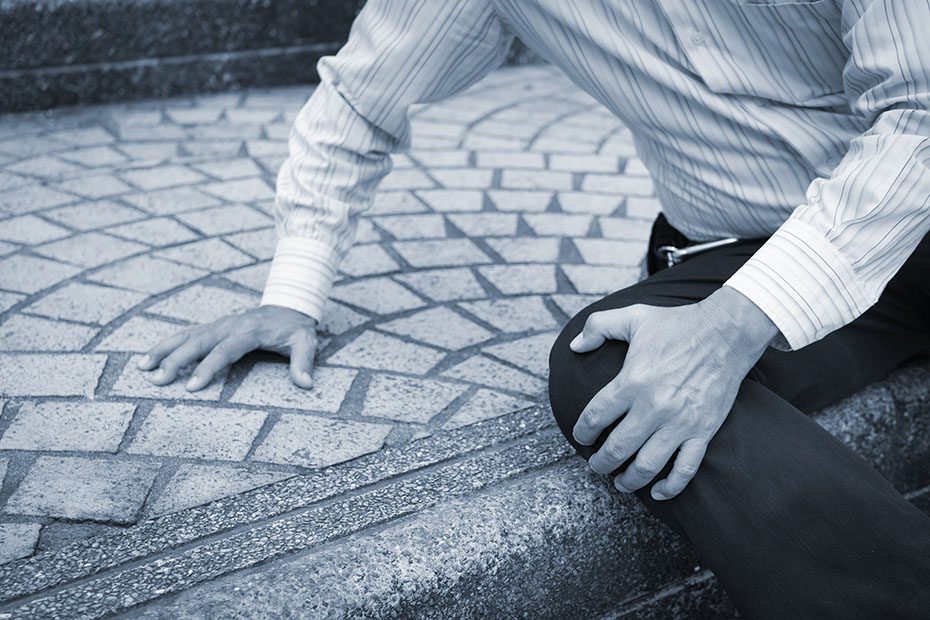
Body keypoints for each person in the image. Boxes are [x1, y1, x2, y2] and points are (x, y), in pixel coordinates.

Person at [139, 1, 930, 616]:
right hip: (740, 247)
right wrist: (292, 292)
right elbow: (360, 97)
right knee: (610, 367)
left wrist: (734, 327)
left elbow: (920, 112)